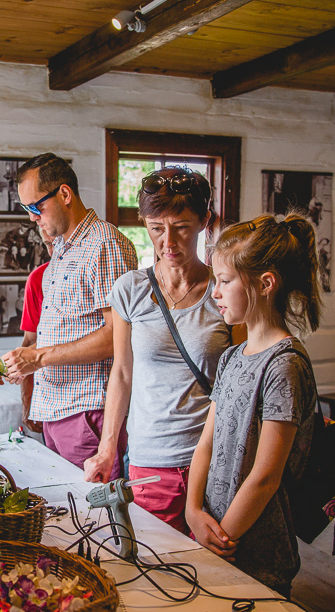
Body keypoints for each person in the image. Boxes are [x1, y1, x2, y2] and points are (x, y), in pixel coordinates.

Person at [83, 168, 233, 536]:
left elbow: (239, 379)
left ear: (204, 222)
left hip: (214, 460)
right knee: (157, 559)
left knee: (216, 563)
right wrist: (106, 450)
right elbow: (122, 373)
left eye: (181, 227)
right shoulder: (130, 289)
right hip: (151, 461)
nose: (168, 242)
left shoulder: (225, 291)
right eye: (156, 228)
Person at [186, 214, 322, 599]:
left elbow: (265, 476)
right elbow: (206, 444)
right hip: (212, 532)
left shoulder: (284, 365)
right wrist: (193, 511)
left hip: (255, 547)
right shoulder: (232, 357)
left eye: (225, 281)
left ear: (265, 284)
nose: (215, 293)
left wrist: (223, 539)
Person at [2, 154, 137, 481]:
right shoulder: (63, 248)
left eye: (36, 206)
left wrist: (38, 357)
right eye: (26, 209)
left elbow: (117, 338)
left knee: (92, 509)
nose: (32, 217)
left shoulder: (105, 244)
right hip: (57, 409)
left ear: (64, 194)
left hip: (86, 410)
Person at [18, 228, 54, 433]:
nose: (55, 250)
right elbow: (29, 343)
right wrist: (28, 399)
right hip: (47, 391)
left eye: (58, 242)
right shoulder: (38, 278)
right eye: (48, 244)